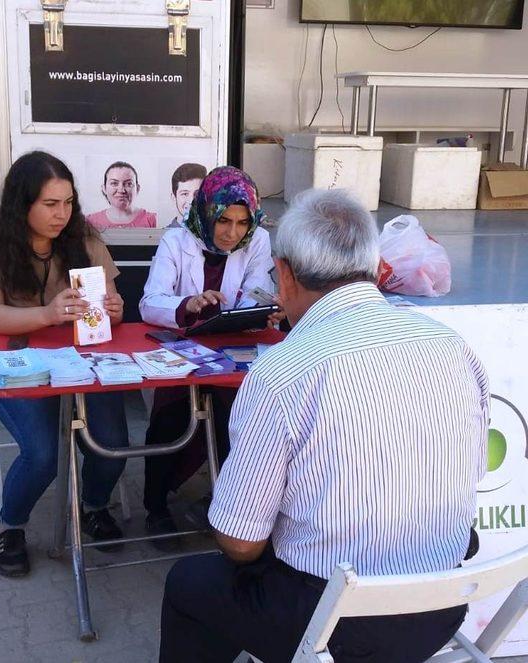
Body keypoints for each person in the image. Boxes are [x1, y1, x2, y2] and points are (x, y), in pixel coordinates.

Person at [159, 188, 489, 663]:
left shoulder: (283, 373)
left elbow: (239, 542)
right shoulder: (453, 346)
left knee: (192, 585)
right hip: (441, 607)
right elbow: (470, 475)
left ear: (286, 275)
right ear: (374, 268)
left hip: (336, 629)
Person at [0, 151, 130, 578]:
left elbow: (113, 310)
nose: (62, 214)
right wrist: (47, 316)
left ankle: (93, 505)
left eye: (68, 202)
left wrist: (113, 308)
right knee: (43, 454)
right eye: (50, 204)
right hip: (17, 365)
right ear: (23, 204)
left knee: (113, 442)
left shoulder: (85, 239)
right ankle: (12, 524)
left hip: (84, 363)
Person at [139, 165, 278, 544]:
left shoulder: (257, 240)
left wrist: (264, 306)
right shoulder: (175, 241)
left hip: (234, 346)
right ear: (206, 212)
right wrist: (190, 303)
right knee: (169, 417)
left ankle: (228, 502)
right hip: (183, 347)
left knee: (242, 418)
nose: (232, 232)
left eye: (241, 221)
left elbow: (258, 291)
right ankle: (155, 508)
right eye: (223, 220)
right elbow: (150, 303)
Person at [87, 161, 157, 230]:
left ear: (137, 189)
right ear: (104, 188)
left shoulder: (153, 220)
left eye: (129, 184)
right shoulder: (90, 222)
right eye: (114, 183)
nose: (121, 190)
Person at [167, 162, 207, 227]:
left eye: (197, 194)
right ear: (174, 197)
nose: (191, 201)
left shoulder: (215, 234)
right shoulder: (162, 236)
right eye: (185, 194)